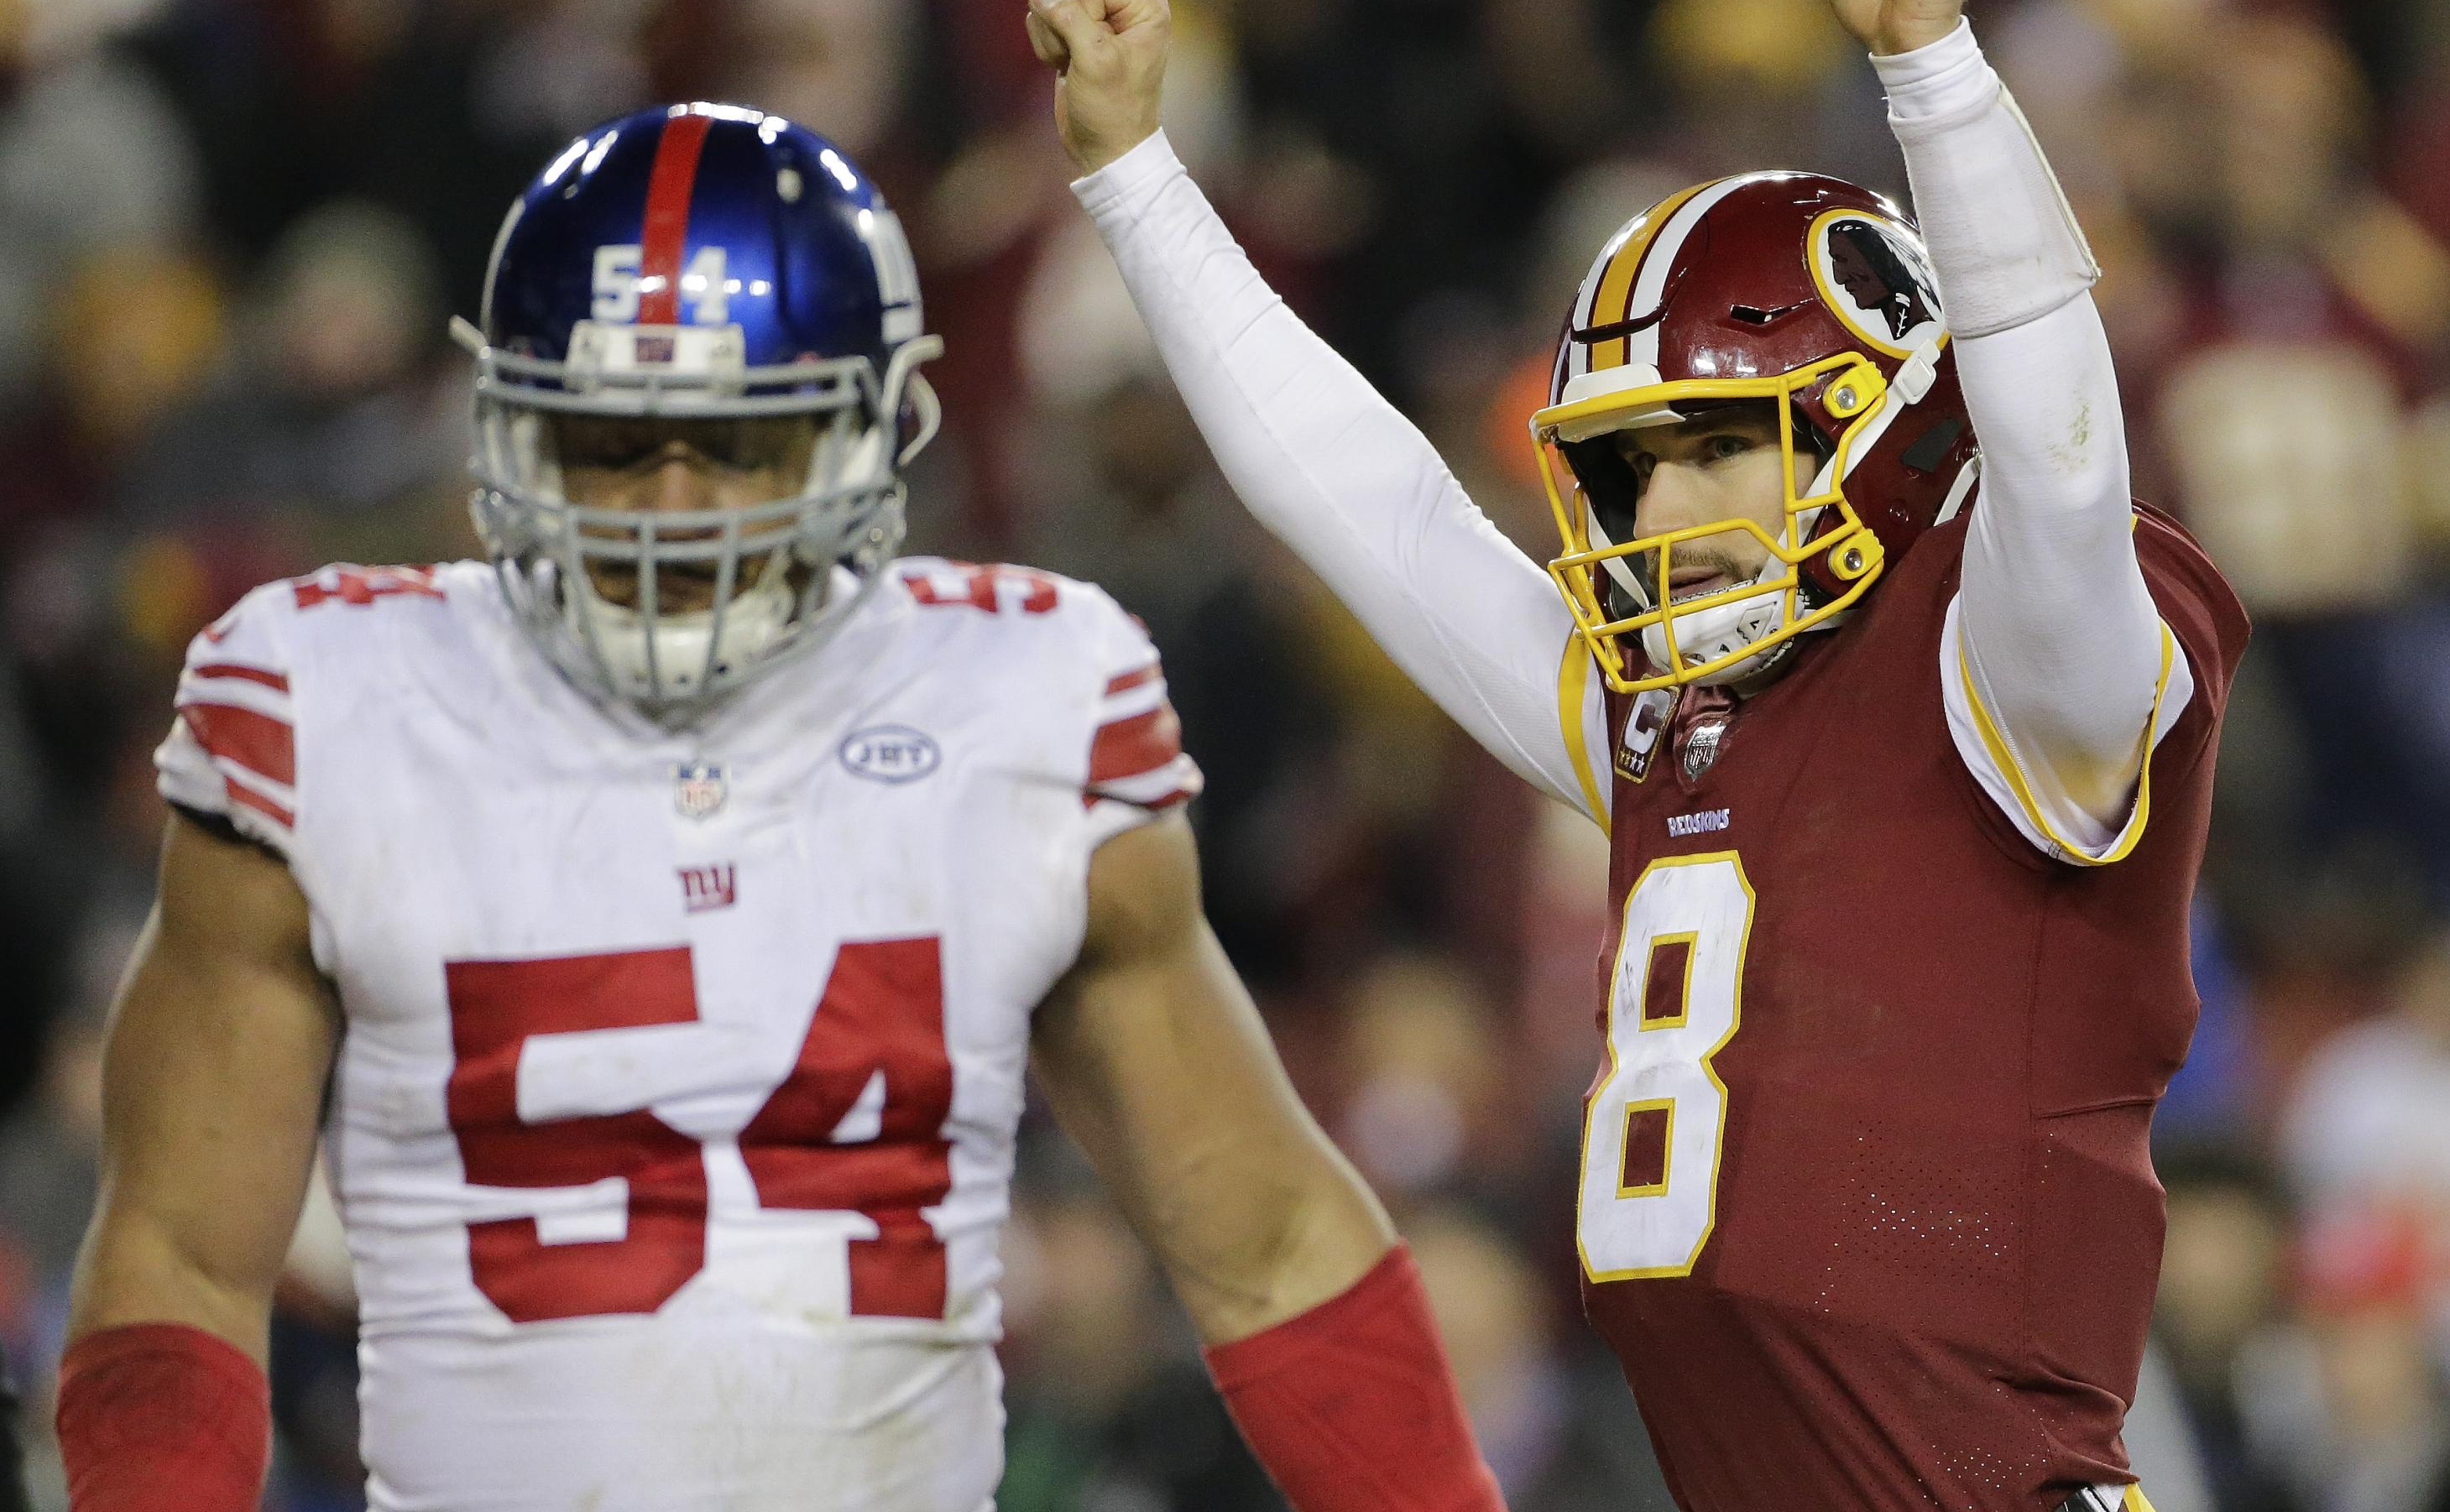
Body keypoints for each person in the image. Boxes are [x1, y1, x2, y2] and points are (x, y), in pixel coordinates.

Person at [55, 103, 1507, 1512]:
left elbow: (1267, 1242)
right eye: (618, 440)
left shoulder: (1025, 699)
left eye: (741, 442)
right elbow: (180, 1255)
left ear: (869, 434)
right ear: (511, 430)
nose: (679, 506)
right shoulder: (328, 701)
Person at [1031, 0, 2246, 1512]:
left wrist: (1936, 76)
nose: (1660, 514)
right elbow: (1374, 510)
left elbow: (2059, 453)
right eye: (1628, 470)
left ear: (1887, 417)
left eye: (1719, 448)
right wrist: (1138, 181)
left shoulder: (2030, 676)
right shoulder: (1674, 721)